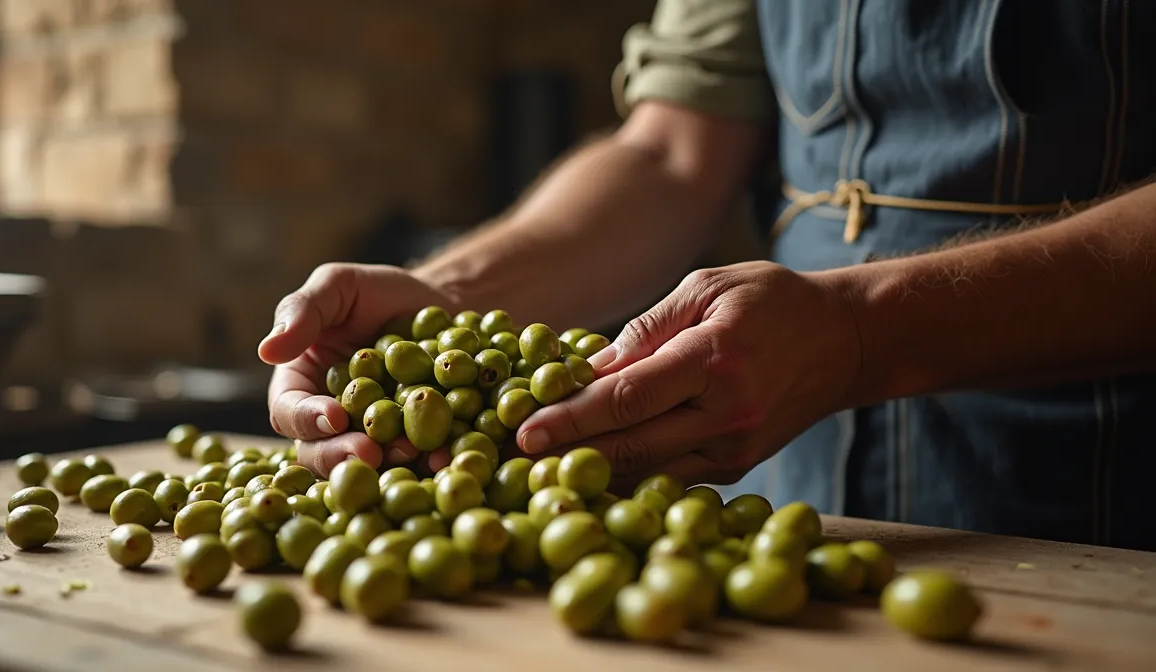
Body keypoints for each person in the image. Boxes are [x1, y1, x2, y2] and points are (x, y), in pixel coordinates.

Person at [258, 1, 1156, 551]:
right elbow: (670, 152)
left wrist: (859, 332)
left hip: (1102, 481)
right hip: (796, 465)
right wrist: (445, 296)